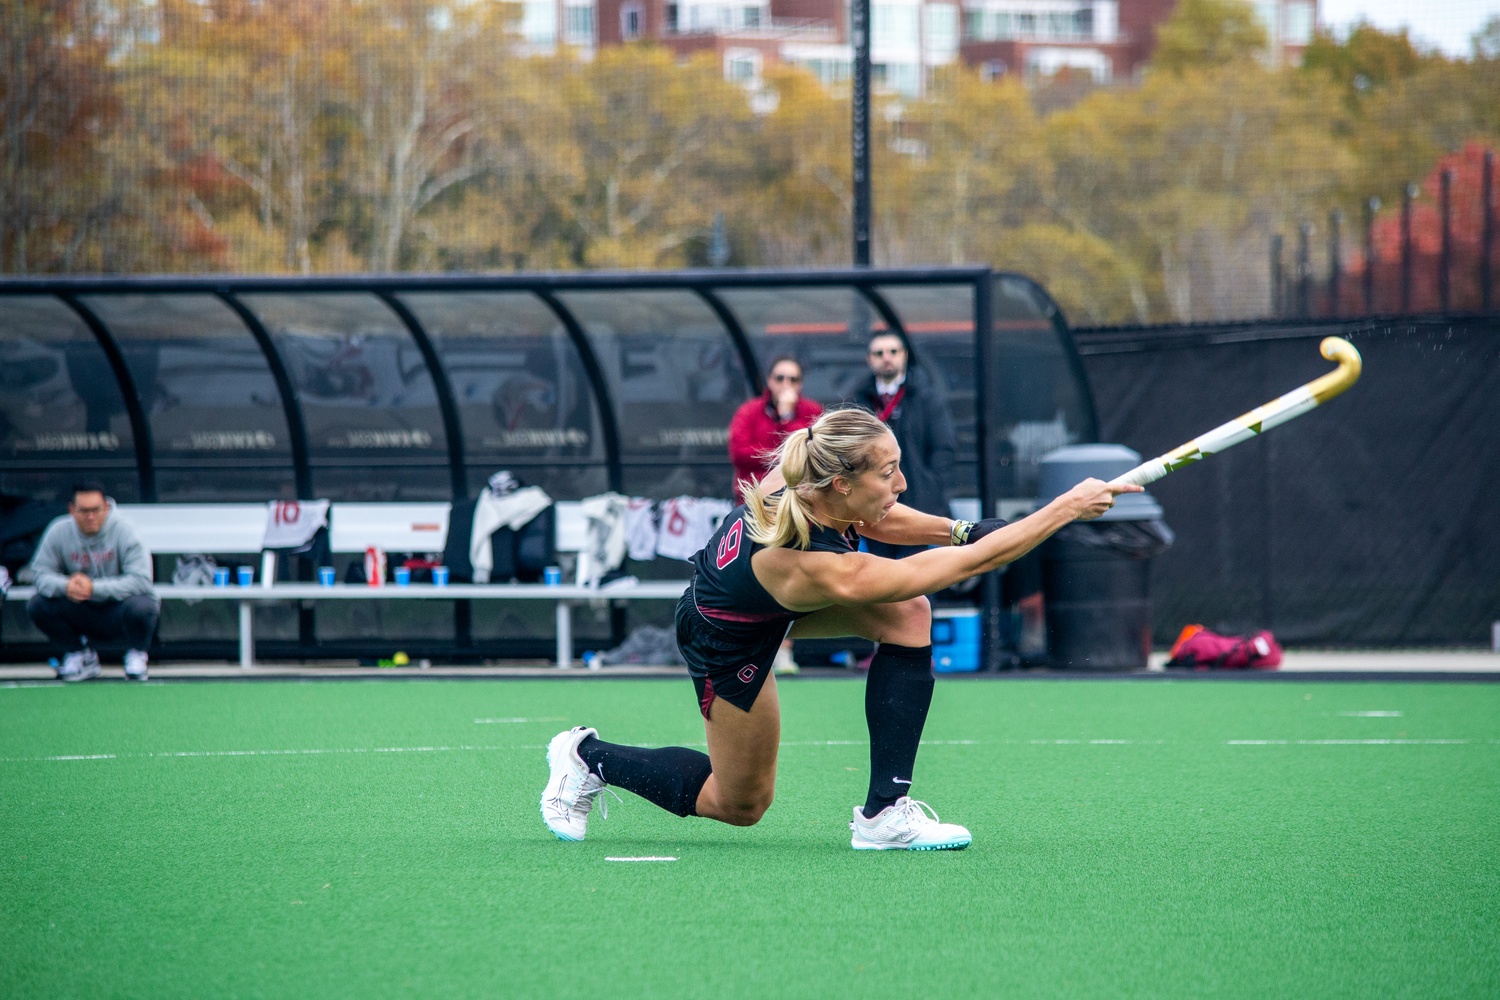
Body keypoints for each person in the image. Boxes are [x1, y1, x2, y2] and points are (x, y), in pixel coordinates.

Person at [541, 408, 1137, 851]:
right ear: (842, 485)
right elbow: (968, 568)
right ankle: (586, 757)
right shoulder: (811, 566)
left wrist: (957, 528)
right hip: (723, 634)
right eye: (890, 472)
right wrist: (1064, 509)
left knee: (910, 614)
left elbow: (890, 518)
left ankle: (883, 815)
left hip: (764, 603)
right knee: (740, 803)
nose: (900, 484)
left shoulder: (817, 481)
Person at [727, 355, 823, 675]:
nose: (786, 386)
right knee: (753, 580)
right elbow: (740, 452)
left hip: (798, 511)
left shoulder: (811, 413)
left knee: (790, 580)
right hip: (755, 510)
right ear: (769, 381)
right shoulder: (749, 412)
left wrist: (786, 421)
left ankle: (784, 650)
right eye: (780, 378)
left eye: (793, 380)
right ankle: (752, 648)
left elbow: (809, 456)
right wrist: (782, 426)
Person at [26, 482, 159, 681]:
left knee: (145, 606)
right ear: (72, 510)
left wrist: (93, 588)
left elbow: (142, 581)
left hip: (117, 608)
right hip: (79, 608)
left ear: (106, 507)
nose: (90, 517)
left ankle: (137, 655)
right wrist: (66, 586)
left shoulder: (125, 530)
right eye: (84, 511)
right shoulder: (58, 531)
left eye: (96, 510)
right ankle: (79, 655)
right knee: (38, 605)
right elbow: (40, 574)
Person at [854, 331, 956, 559]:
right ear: (869, 359)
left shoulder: (926, 397)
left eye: (893, 351)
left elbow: (944, 448)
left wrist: (930, 489)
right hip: (873, 505)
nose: (886, 357)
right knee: (880, 576)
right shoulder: (859, 400)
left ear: (905, 356)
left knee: (919, 576)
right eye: (879, 353)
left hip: (919, 502)